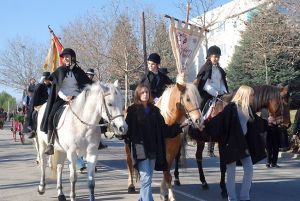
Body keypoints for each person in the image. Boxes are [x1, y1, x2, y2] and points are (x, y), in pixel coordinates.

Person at [201, 85, 266, 201]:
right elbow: (218, 121)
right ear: (245, 96)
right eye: (251, 95)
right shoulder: (231, 108)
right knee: (231, 172)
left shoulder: (248, 109)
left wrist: (268, 123)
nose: (253, 97)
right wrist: (204, 126)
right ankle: (232, 198)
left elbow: (256, 122)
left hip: (242, 144)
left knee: (249, 168)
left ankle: (244, 196)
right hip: (230, 144)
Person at [125, 84, 182, 201]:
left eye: (147, 92)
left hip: (153, 149)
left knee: (148, 178)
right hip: (140, 148)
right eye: (142, 92)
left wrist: (180, 126)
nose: (145, 94)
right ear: (138, 94)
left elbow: (164, 129)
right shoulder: (132, 110)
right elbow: (127, 130)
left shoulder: (155, 111)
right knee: (145, 179)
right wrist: (120, 132)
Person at [41, 48, 92, 155]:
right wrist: (66, 97)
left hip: (78, 98)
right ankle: (50, 143)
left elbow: (87, 85)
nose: (66, 58)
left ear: (73, 58)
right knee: (51, 116)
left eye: (68, 56)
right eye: (64, 57)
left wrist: (78, 97)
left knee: (93, 111)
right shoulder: (60, 71)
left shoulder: (79, 71)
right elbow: (57, 88)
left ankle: (97, 140)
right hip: (62, 98)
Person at [194, 45, 229, 157]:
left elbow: (222, 83)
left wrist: (224, 93)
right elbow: (205, 85)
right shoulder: (206, 68)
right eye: (214, 56)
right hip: (208, 95)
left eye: (218, 57)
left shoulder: (219, 70)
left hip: (220, 95)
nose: (216, 59)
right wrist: (216, 93)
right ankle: (198, 128)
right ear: (209, 57)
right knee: (202, 112)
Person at [23, 72, 52, 138]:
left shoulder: (52, 86)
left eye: (48, 79)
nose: (47, 81)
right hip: (40, 104)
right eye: (45, 79)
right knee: (34, 114)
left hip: (51, 103)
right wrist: (40, 83)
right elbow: (35, 94)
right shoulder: (40, 86)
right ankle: (33, 130)